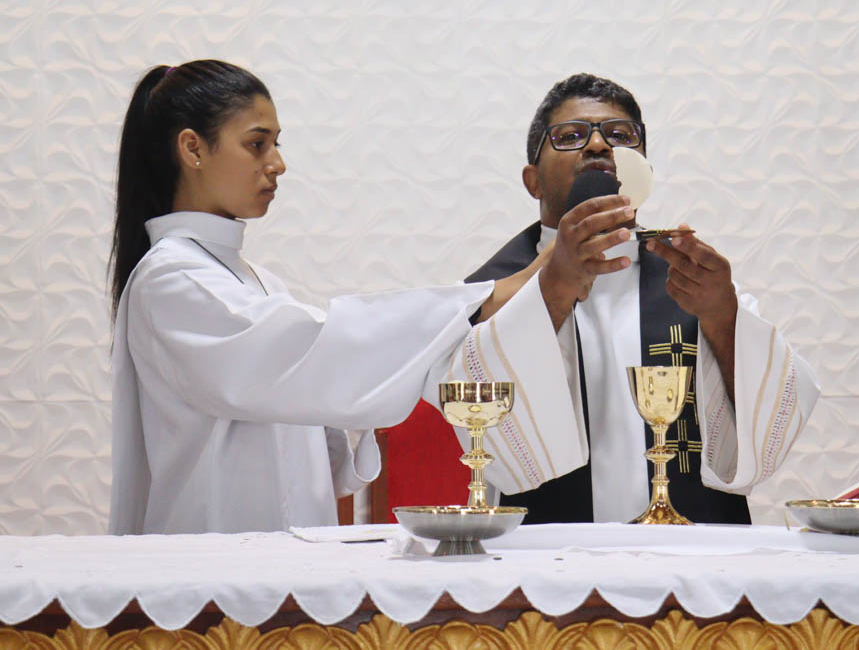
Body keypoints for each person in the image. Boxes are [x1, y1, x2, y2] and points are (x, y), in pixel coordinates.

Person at [107, 60, 633, 534]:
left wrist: (514, 298)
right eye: (257, 144)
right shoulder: (170, 280)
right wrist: (522, 283)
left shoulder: (256, 281)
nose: (278, 163)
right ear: (193, 149)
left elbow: (322, 388)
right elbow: (320, 354)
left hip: (280, 554)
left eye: (277, 144)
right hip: (214, 557)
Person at [460, 73, 822, 524]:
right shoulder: (489, 294)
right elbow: (473, 413)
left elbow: (779, 416)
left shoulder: (692, 279)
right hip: (550, 549)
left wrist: (723, 319)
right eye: (571, 136)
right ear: (532, 181)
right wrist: (551, 288)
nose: (598, 146)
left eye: (620, 136)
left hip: (689, 548)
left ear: (642, 169)